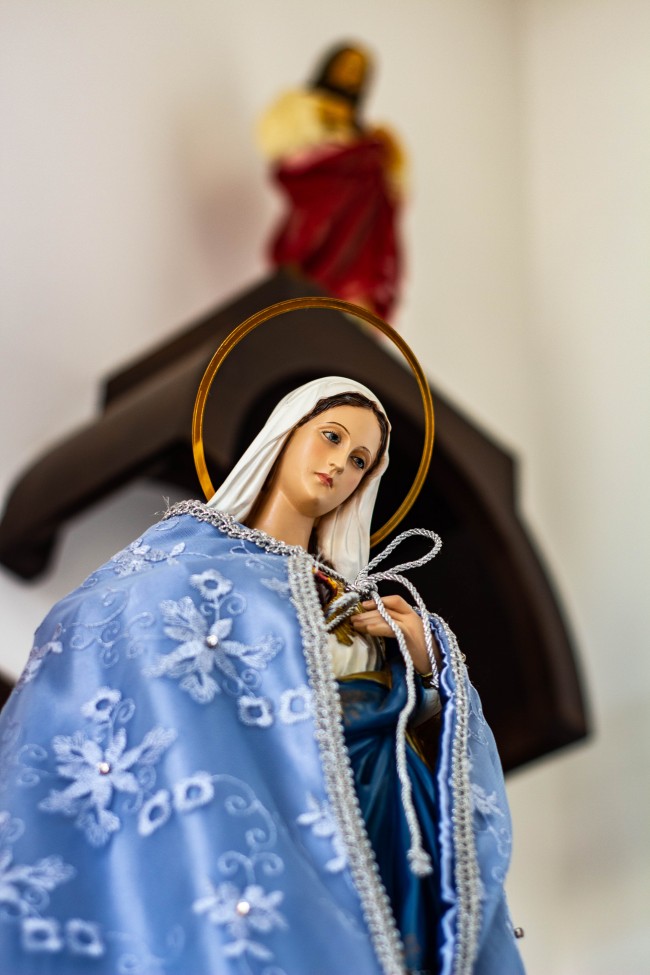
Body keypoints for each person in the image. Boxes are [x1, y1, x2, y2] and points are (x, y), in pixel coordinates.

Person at [0, 377, 524, 975]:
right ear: (285, 433)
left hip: (379, 827)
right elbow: (95, 633)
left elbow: (418, 728)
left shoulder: (356, 603)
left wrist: (429, 660)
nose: (340, 465)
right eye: (331, 437)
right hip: (250, 811)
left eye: (360, 461)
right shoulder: (185, 556)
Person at [257, 44, 405, 319]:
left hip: (359, 229)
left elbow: (393, 189)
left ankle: (352, 299)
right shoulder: (300, 107)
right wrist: (321, 120)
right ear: (329, 65)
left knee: (352, 305)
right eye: (346, 65)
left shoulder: (369, 136)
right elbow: (285, 154)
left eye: (359, 70)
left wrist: (385, 154)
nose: (351, 74)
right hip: (319, 209)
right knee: (304, 273)